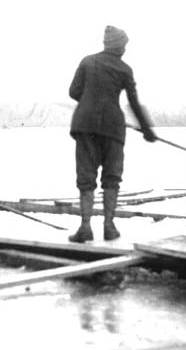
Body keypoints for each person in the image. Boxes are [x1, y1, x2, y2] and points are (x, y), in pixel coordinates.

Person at [68, 25, 157, 243]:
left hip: (85, 125)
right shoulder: (125, 70)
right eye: (124, 45)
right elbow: (134, 103)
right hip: (113, 127)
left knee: (86, 176)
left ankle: (85, 228)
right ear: (118, 45)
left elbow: (73, 91)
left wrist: (91, 103)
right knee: (112, 177)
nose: (125, 49)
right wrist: (147, 129)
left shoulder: (87, 61)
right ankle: (109, 226)